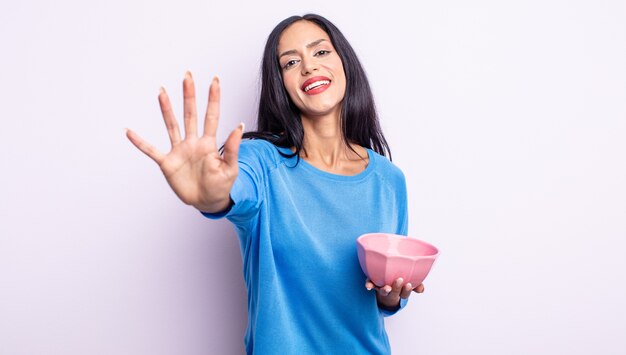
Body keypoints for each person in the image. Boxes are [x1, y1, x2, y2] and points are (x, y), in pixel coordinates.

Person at [126, 13, 425, 354]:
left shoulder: (389, 180)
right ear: (280, 83)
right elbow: (229, 192)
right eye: (291, 62)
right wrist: (210, 196)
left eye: (321, 52)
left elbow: (385, 293)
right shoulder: (260, 161)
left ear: (346, 63)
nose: (309, 67)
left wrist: (390, 296)